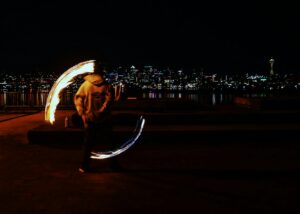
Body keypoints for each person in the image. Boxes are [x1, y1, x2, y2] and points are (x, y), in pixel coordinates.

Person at [74, 63, 118, 173]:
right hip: (105, 119)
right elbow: (109, 101)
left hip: (90, 119)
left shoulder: (85, 85)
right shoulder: (107, 85)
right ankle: (113, 165)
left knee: (88, 144)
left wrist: (82, 113)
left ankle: (84, 166)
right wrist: (101, 112)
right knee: (110, 144)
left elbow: (78, 99)